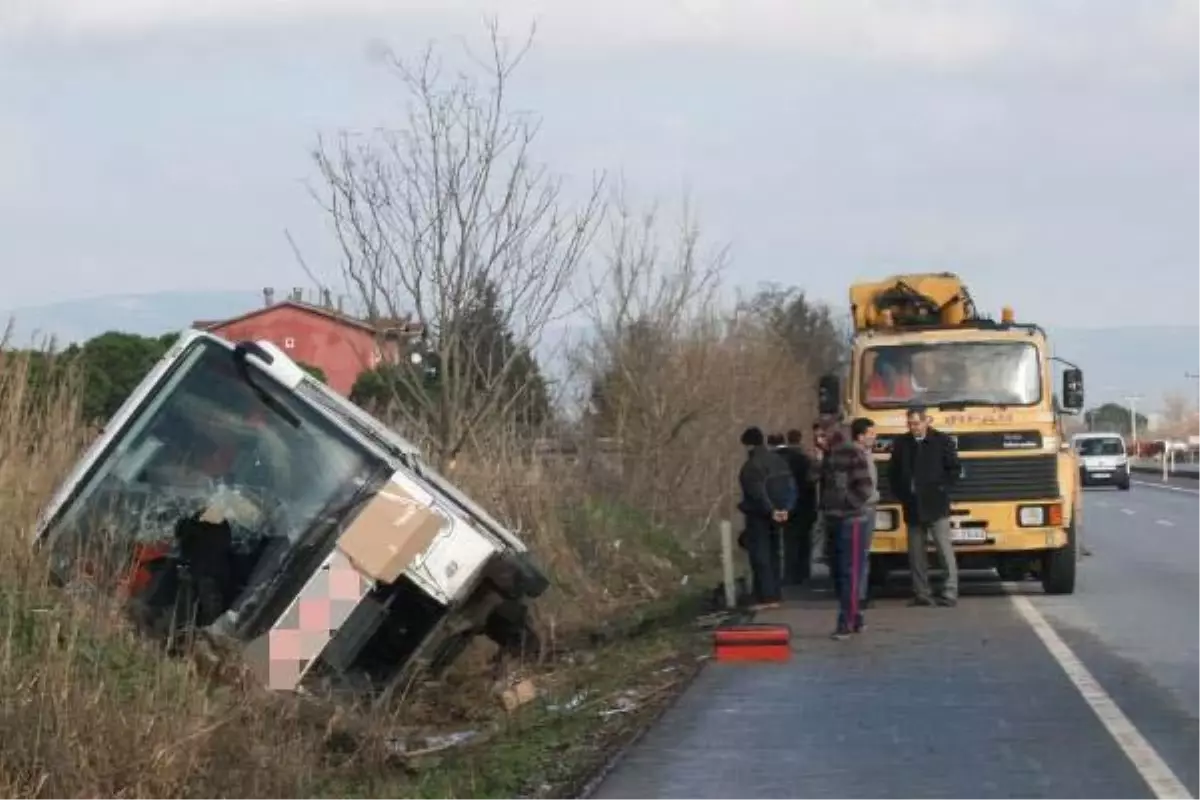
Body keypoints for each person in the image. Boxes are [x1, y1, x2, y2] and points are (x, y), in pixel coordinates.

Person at [888, 406, 961, 607]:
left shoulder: (942, 441)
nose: (914, 427)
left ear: (927, 421)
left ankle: (950, 591)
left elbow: (954, 469)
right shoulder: (901, 443)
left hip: (936, 503)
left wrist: (941, 488)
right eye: (910, 423)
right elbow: (893, 473)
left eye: (917, 423)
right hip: (912, 504)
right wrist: (901, 494)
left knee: (943, 548)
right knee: (916, 552)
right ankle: (921, 592)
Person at [821, 417, 877, 639]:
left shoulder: (853, 453)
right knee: (838, 572)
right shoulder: (828, 455)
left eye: (822, 436)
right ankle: (856, 616)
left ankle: (847, 621)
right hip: (833, 519)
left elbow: (865, 488)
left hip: (852, 520)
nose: (818, 440)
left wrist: (847, 505)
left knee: (850, 572)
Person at [738, 426, 797, 610]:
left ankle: (766, 596)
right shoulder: (778, 460)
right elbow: (791, 485)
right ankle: (776, 593)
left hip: (759, 515)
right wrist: (786, 508)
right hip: (781, 512)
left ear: (748, 445)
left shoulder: (751, 466)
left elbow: (756, 493)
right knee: (774, 553)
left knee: (760, 555)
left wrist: (770, 510)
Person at [779, 429, 817, 586]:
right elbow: (811, 483)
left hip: (789, 504)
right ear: (800, 439)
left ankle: (790, 573)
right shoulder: (806, 460)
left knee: (790, 541)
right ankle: (804, 572)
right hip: (805, 504)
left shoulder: (783, 461)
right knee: (805, 540)